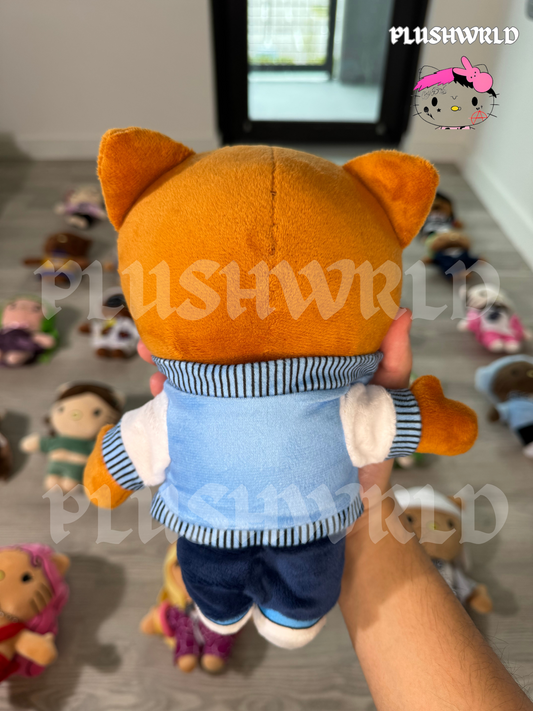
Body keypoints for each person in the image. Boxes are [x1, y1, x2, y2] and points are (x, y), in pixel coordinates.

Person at [138, 311, 533, 710]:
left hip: (221, 526)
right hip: (285, 527)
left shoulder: (325, 394)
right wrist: (429, 419)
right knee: (281, 580)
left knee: (242, 578)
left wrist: (112, 471)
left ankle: (252, 612)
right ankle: (260, 612)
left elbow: (135, 440)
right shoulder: (328, 395)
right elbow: (414, 424)